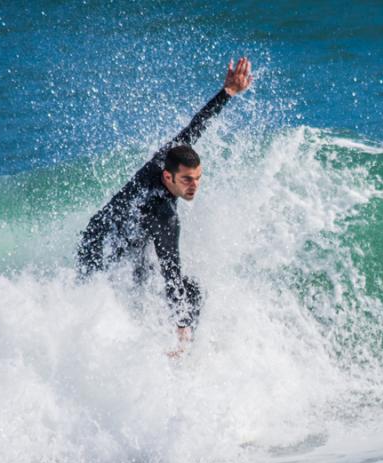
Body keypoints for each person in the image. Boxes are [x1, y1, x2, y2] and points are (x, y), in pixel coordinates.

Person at [76, 57, 253, 353]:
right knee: (188, 292)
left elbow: (195, 127)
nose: (194, 185)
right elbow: (171, 271)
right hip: (102, 249)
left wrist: (228, 93)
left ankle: (153, 342)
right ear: (168, 177)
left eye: (197, 178)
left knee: (146, 281)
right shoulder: (164, 214)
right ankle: (176, 352)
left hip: (102, 235)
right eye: (187, 180)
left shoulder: (165, 160)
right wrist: (183, 324)